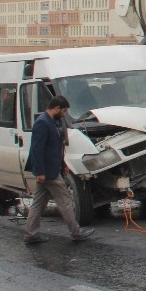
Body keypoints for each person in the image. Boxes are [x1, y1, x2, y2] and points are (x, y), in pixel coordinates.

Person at [21, 95, 94, 244]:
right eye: (64, 111)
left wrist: (63, 165)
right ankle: (76, 232)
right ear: (57, 108)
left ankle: (30, 234)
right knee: (65, 201)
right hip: (48, 172)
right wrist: (40, 171)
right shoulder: (42, 123)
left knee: (38, 203)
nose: (64, 114)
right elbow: (37, 149)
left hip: (51, 169)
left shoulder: (50, 122)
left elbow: (55, 148)